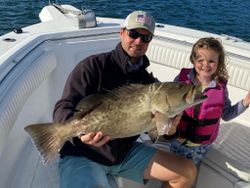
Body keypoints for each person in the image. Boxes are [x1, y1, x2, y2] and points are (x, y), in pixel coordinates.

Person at [53, 10, 196, 188]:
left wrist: (171, 129)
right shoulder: (92, 66)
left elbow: (159, 133)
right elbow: (64, 106)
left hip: (123, 154)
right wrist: (81, 135)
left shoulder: (150, 84)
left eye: (145, 38)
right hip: (84, 153)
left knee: (186, 171)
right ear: (122, 32)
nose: (138, 41)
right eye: (134, 34)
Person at [163, 37, 250, 165]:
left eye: (211, 61)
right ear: (193, 60)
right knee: (174, 171)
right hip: (178, 140)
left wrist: (246, 101)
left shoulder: (221, 87)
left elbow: (226, 115)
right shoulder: (181, 80)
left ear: (219, 63)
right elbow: (167, 104)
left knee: (191, 173)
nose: (205, 65)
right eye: (200, 60)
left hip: (201, 147)